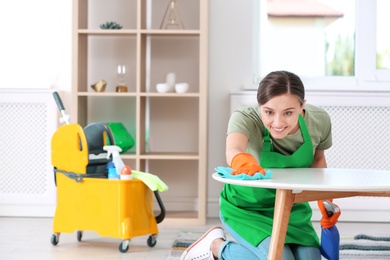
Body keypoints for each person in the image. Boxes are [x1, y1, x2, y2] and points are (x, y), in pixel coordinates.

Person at [181, 70, 333, 260]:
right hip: (247, 208)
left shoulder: (319, 120)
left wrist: (325, 202)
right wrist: (245, 163)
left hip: (291, 208)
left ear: (302, 106)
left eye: (288, 113)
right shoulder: (245, 118)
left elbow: (318, 160)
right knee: (281, 258)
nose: (278, 122)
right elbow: (233, 150)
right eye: (269, 112)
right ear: (259, 106)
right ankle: (217, 247)